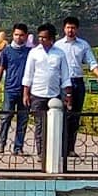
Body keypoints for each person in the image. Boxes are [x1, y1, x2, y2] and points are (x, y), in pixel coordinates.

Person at [55, 16, 98, 160]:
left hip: (77, 82)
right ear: (64, 29)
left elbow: (91, 62)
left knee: (75, 116)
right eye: (68, 27)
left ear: (77, 29)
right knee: (61, 115)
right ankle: (59, 146)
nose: (70, 30)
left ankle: (70, 148)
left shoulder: (83, 45)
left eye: (73, 28)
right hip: (63, 83)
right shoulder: (58, 46)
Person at [23, 23, 73, 161]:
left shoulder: (59, 53)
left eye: (44, 38)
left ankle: (53, 151)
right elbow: (28, 75)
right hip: (37, 94)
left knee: (54, 125)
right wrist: (26, 93)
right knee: (40, 125)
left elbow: (65, 76)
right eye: (39, 37)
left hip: (54, 95)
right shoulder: (34, 52)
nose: (41, 40)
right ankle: (41, 153)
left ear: (51, 38)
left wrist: (68, 95)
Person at [0, 23, 33, 154]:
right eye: (16, 35)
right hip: (10, 89)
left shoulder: (30, 52)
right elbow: (0, 70)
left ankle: (18, 147)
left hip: (25, 91)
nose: (18, 37)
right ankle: (1, 142)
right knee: (6, 117)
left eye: (21, 35)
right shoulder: (7, 51)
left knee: (23, 119)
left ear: (26, 36)